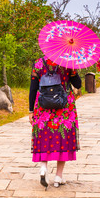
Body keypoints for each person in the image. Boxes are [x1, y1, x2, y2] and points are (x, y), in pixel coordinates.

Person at [29, 57, 82, 189]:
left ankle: (43, 168)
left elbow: (33, 88)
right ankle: (58, 176)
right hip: (64, 107)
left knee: (43, 137)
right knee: (63, 139)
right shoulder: (68, 63)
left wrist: (31, 111)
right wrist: (73, 72)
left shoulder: (38, 64)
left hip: (42, 107)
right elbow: (78, 85)